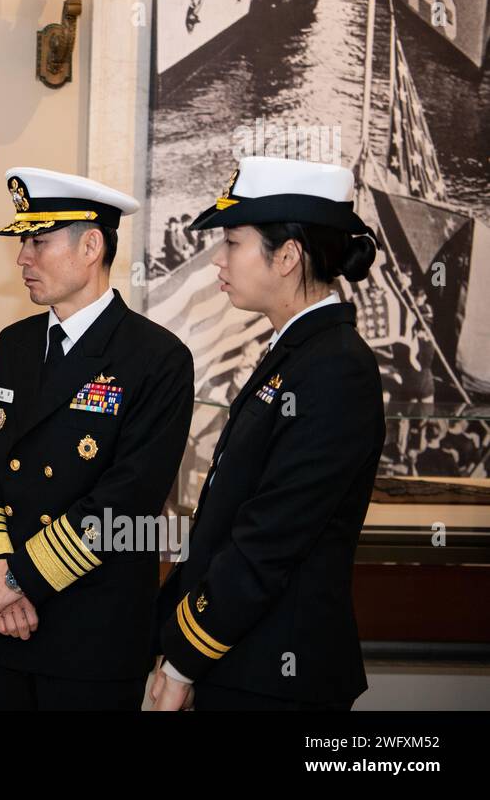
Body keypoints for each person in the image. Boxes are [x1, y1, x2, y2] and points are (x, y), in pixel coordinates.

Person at [150, 156, 385, 711]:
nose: (219, 261)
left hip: (275, 676)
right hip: (240, 660)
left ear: (287, 256)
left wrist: (184, 658)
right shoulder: (298, 352)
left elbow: (268, 539)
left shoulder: (335, 367)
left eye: (233, 243)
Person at [0, 168, 194, 710]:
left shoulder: (156, 359)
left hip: (93, 633)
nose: (23, 257)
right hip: (11, 626)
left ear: (91, 245)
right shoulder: (14, 345)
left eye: (37, 241)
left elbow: (127, 499)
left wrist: (20, 578)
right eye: (23, 241)